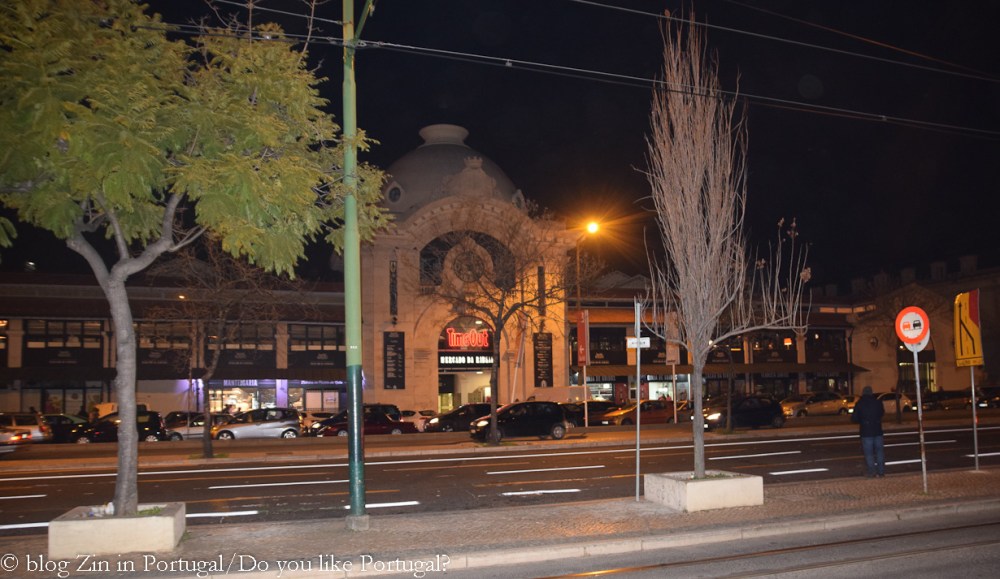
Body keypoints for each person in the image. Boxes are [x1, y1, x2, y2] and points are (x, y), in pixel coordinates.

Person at [851, 385, 885, 478]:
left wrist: (862, 420)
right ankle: (881, 471)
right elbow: (882, 413)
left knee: (868, 453)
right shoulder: (878, 402)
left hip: (866, 431)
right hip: (878, 430)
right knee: (879, 452)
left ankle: (872, 472)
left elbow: (854, 418)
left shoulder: (860, 403)